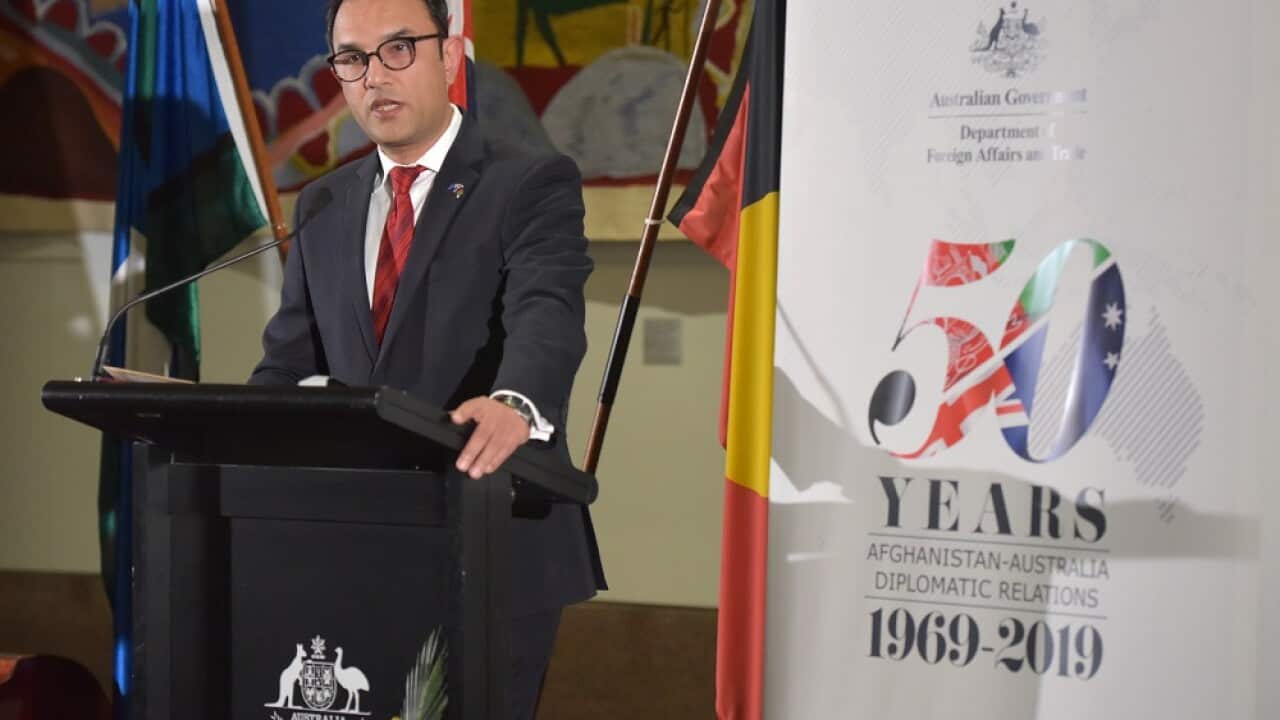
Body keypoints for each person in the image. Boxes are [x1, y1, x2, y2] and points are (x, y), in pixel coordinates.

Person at [248, 0, 604, 714]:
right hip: (349, 545)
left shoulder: (527, 183)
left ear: (449, 55)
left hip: (492, 536)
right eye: (352, 59)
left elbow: (548, 314)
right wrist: (235, 431)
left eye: (399, 49)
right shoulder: (324, 204)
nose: (374, 76)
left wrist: (516, 403)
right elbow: (287, 365)